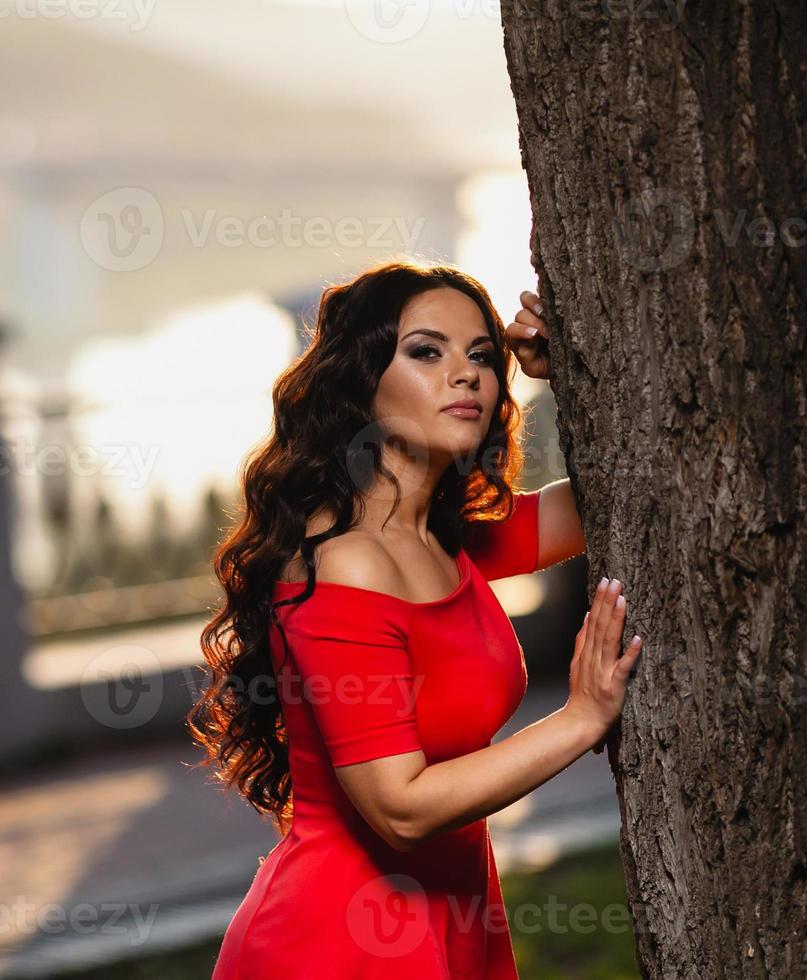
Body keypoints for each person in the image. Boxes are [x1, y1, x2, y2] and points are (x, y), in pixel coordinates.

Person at [187, 259, 643, 978]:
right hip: (340, 941)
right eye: (426, 351)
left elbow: (611, 494)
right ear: (364, 379)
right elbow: (399, 809)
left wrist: (570, 379)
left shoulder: (441, 539)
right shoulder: (346, 561)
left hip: (452, 916)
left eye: (483, 357)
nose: (466, 374)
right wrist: (581, 718)